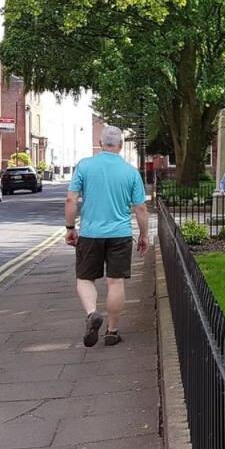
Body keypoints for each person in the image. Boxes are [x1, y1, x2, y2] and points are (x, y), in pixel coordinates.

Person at [65, 125, 149, 348]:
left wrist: (70, 227)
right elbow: (140, 208)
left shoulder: (84, 166)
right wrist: (144, 235)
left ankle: (93, 313)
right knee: (115, 282)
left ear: (101, 143)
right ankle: (112, 331)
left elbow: (71, 200)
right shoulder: (131, 172)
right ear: (121, 146)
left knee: (84, 279)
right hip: (120, 234)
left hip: (90, 233)